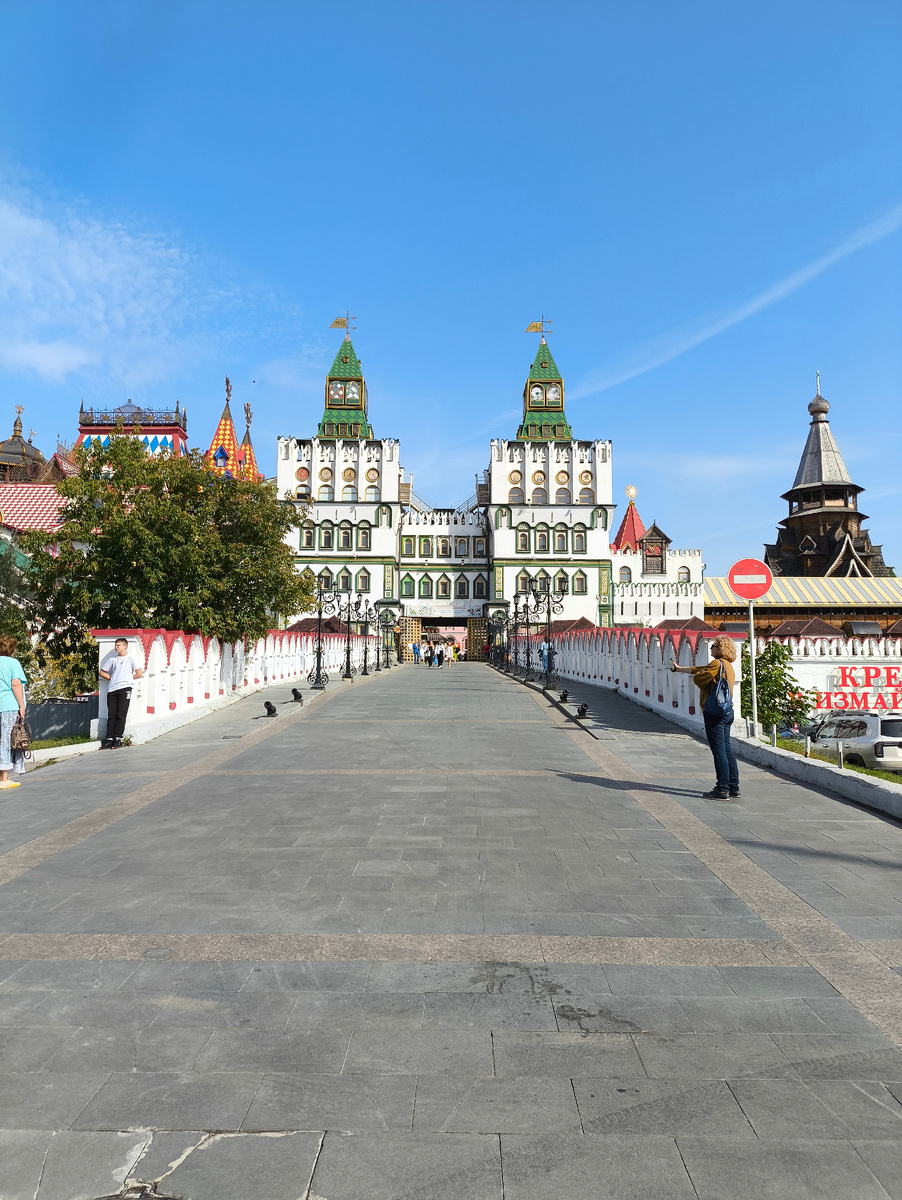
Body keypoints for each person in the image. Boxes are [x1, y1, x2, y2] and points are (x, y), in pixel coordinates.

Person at [670, 636, 739, 800]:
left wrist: (698, 677)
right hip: (727, 711)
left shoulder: (716, 664)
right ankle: (733, 786)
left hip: (714, 713)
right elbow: (701, 668)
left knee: (718, 751)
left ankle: (722, 789)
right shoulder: (727, 665)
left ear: (721, 648)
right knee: (727, 749)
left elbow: (700, 679)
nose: (711, 648)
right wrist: (680, 669)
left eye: (714, 645)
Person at [99, 637, 144, 749]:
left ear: (125, 646)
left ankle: (118, 738)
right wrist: (112, 678)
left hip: (125, 688)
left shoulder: (131, 658)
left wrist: (127, 679)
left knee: (121, 714)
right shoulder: (112, 660)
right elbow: (102, 672)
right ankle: (109, 739)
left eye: (118, 645)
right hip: (112, 688)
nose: (116, 647)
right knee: (111, 714)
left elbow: (139, 674)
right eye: (115, 645)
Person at [0, 635, 27, 790]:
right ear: (12, 649)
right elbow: (16, 684)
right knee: (5, 739)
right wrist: (21, 706)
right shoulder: (13, 663)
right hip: (8, 705)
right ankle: (3, 778)